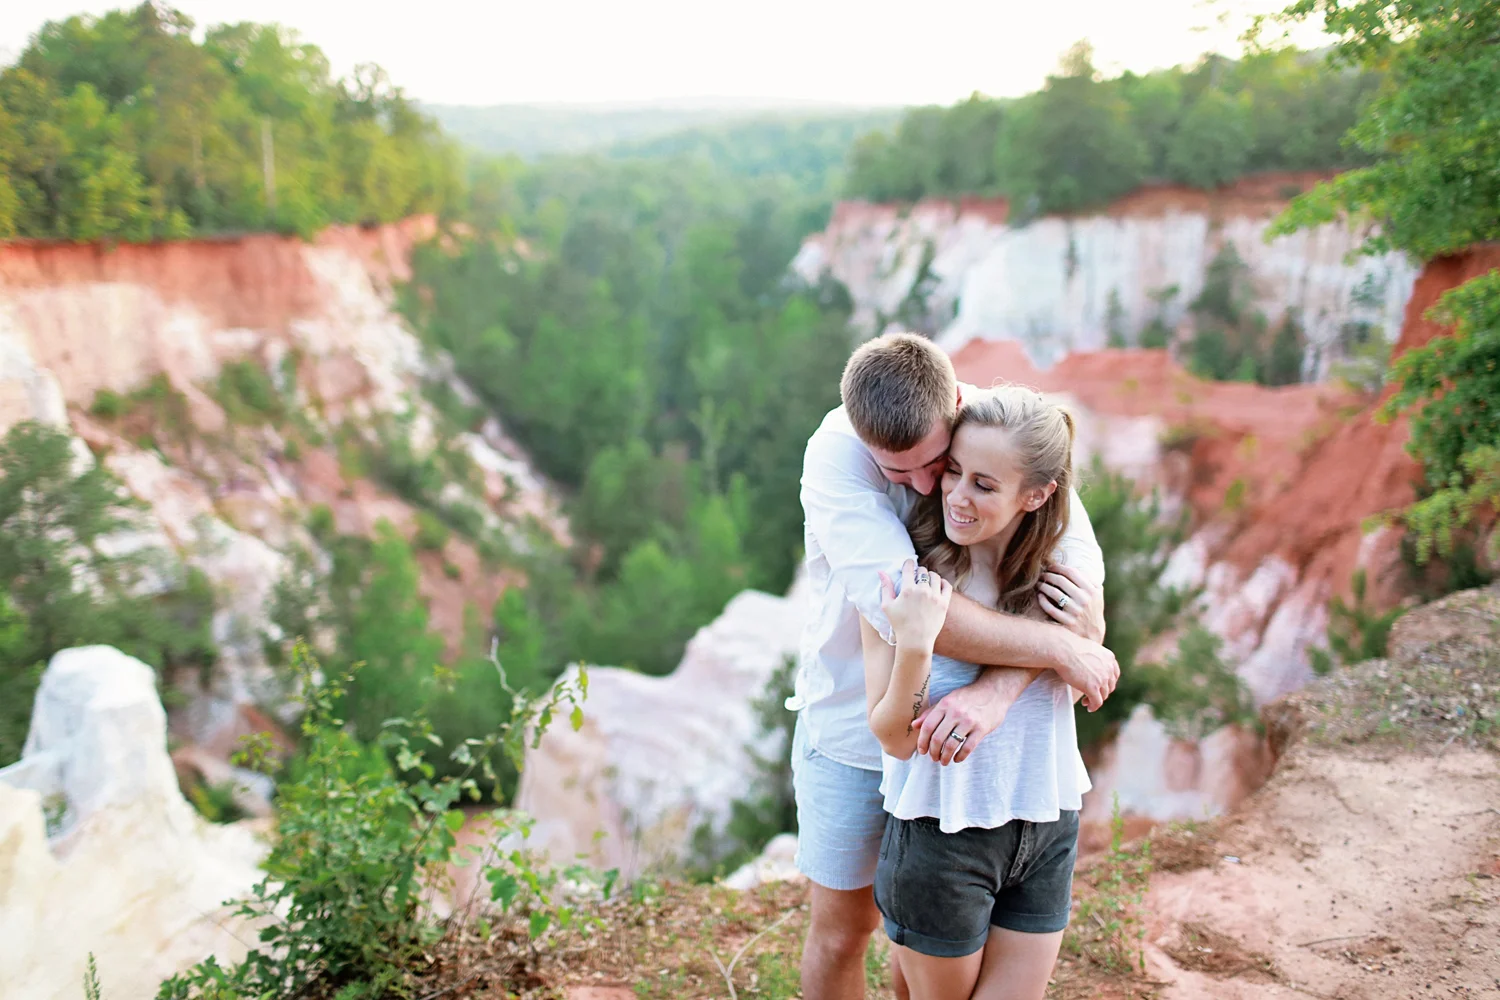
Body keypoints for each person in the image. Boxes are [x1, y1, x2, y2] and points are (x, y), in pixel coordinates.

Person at [791, 333, 1118, 999]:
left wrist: (997, 693)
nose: (922, 487)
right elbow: (915, 617)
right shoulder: (836, 455)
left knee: (915, 947)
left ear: (958, 408)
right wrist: (1060, 649)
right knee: (844, 931)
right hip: (856, 724)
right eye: (896, 471)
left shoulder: (995, 434)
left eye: (934, 463)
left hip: (973, 756)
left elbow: (1082, 596)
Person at [866, 385, 1094, 999]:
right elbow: (893, 737)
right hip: (941, 836)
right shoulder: (907, 573)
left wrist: (1081, 638)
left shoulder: (1062, 582)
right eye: (954, 472)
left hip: (1046, 820)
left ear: (1037, 494)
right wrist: (917, 645)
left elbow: (1082, 681)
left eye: (984, 485)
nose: (956, 496)